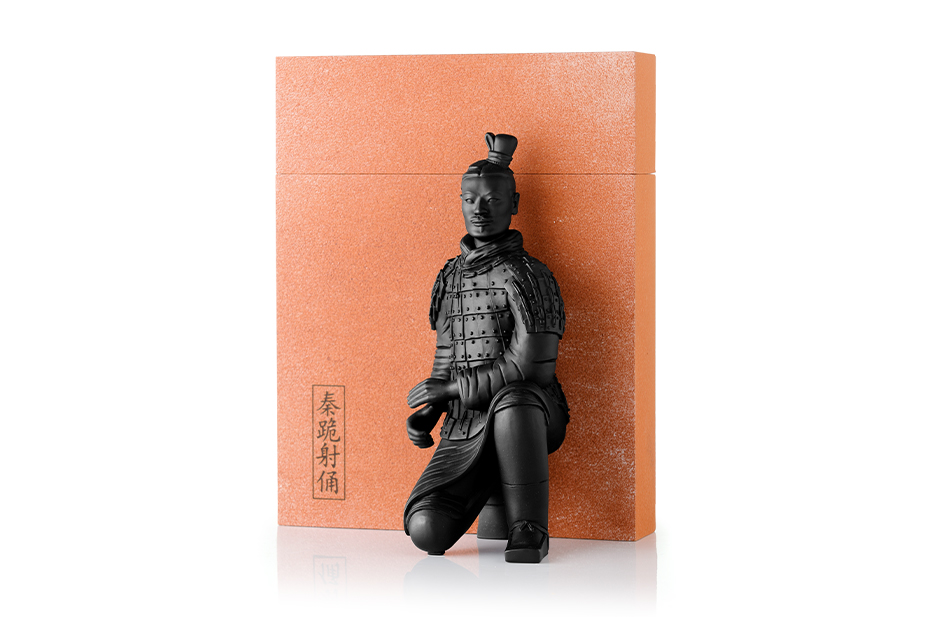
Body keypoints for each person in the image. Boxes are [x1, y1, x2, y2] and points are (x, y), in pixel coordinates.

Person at [404, 133, 569, 563]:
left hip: (531, 413)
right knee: (426, 528)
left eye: (492, 200)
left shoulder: (528, 274)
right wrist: (431, 411)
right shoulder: (450, 276)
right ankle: (493, 476)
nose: (479, 210)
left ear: (513, 204)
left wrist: (450, 390)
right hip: (467, 421)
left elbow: (531, 367)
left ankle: (528, 528)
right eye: (470, 199)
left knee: (514, 399)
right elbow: (447, 352)